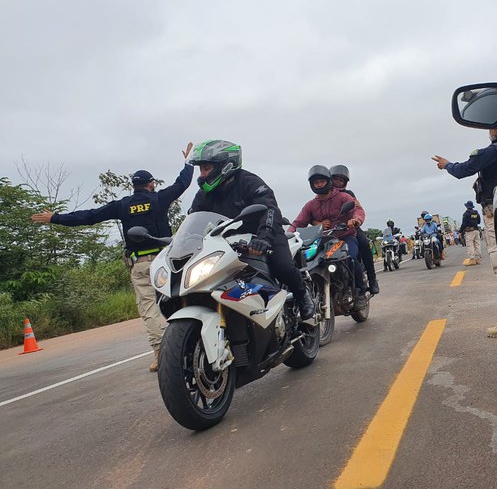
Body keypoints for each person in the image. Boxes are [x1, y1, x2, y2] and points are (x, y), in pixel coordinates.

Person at [31, 143, 195, 371]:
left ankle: (160, 353)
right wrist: (188, 162)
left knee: (148, 308)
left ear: (133, 186)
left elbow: (90, 216)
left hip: (139, 265)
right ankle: (187, 344)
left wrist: (55, 218)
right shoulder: (159, 199)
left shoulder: (122, 206)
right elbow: (182, 183)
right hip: (165, 263)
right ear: (151, 184)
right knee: (179, 300)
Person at [187, 140, 315, 322]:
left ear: (225, 165)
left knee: (283, 267)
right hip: (226, 243)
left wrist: (263, 238)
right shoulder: (203, 195)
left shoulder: (249, 182)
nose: (202, 175)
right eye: (201, 169)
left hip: (263, 236)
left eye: (206, 168)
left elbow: (269, 208)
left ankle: (303, 295)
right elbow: (194, 219)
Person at [432, 128, 497, 337]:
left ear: (494, 129)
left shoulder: (493, 151)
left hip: (495, 215)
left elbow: (463, 169)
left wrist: (447, 165)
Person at [288, 165, 367, 309]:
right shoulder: (310, 205)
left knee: (351, 257)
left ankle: (360, 292)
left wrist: (356, 220)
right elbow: (298, 223)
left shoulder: (343, 197)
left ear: (328, 181)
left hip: (345, 237)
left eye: (322, 181)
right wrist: (288, 235)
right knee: (308, 262)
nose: (319, 185)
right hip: (324, 241)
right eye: (316, 182)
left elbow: (358, 210)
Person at [329, 164, 379, 295]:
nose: (338, 182)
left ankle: (372, 280)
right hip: (330, 232)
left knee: (364, 244)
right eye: (335, 179)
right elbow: (313, 216)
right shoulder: (324, 196)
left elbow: (358, 209)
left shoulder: (349, 194)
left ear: (345, 182)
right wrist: (318, 223)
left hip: (349, 228)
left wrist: (355, 220)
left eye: (341, 180)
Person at [460, 200, 482, 266]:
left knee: (470, 245)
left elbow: (464, 224)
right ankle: (478, 259)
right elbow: (479, 221)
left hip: (470, 231)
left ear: (467, 206)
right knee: (477, 244)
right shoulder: (476, 212)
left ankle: (472, 260)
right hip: (476, 230)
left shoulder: (466, 214)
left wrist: (460, 231)